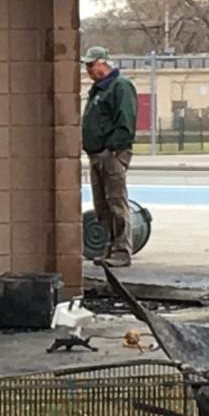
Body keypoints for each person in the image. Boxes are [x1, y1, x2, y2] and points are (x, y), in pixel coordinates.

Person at [81, 46, 138, 267]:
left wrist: (112, 148)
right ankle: (108, 247)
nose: (88, 69)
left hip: (111, 154)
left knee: (116, 202)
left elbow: (125, 121)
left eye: (90, 64)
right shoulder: (98, 90)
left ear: (103, 63)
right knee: (101, 205)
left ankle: (122, 250)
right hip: (96, 154)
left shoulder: (120, 87)